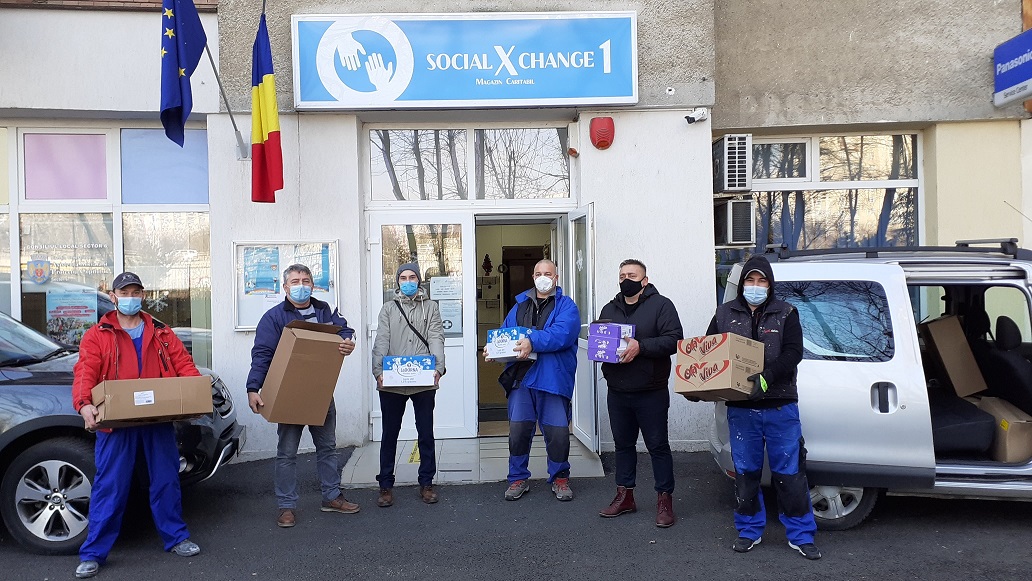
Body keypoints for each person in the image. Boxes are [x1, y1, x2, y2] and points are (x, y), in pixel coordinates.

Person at [72, 272, 202, 579]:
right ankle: (93, 552)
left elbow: (184, 365)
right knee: (110, 486)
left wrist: (194, 396)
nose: (130, 297)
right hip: (116, 424)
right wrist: (84, 403)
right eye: (124, 292)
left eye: (135, 292)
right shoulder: (98, 334)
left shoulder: (161, 331)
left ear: (143, 295)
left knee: (166, 479)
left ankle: (176, 537)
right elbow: (85, 370)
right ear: (113, 297)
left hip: (157, 420)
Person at [705, 254, 821, 560]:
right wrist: (701, 386)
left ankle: (801, 535)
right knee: (746, 473)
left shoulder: (786, 312)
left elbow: (794, 352)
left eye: (762, 281)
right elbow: (708, 352)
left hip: (781, 406)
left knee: (790, 473)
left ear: (770, 285)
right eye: (750, 280)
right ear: (742, 283)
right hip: (742, 409)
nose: (755, 286)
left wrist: (767, 378)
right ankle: (749, 530)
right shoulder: (724, 314)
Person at [247, 264, 359, 528]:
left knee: (327, 447)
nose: (301, 285)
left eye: (306, 280)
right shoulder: (274, 317)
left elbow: (344, 330)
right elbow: (262, 354)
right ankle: (286, 506)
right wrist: (253, 388)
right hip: (289, 393)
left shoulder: (325, 311)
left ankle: (331, 496)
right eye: (295, 281)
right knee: (287, 453)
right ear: (285, 287)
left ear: (312, 284)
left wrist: (347, 341)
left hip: (321, 390)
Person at [597, 259, 683, 527]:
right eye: (622, 275)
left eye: (632, 275)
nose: (626, 280)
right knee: (623, 446)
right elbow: (602, 341)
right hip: (618, 390)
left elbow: (674, 340)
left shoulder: (662, 305)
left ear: (645, 281)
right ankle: (625, 496)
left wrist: (641, 347)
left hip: (651, 391)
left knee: (658, 446)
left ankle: (664, 500)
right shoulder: (609, 308)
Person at [490, 259, 580, 501]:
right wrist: (494, 349)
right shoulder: (519, 306)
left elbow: (561, 335)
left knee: (557, 433)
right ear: (533, 277)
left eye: (548, 273)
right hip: (522, 379)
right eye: (539, 273)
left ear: (556, 278)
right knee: (518, 431)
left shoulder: (567, 306)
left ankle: (560, 478)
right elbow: (506, 334)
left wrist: (532, 341)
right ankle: (517, 478)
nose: (543, 277)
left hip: (552, 379)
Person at [371, 263, 446, 507]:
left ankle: (426, 482)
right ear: (397, 281)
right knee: (389, 434)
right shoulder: (388, 309)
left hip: (423, 380)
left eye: (412, 277)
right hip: (393, 381)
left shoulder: (431, 307)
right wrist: (378, 371)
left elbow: (436, 337)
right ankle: (385, 485)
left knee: (425, 433)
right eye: (403, 278)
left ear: (419, 280)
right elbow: (382, 340)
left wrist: (438, 368)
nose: (408, 281)